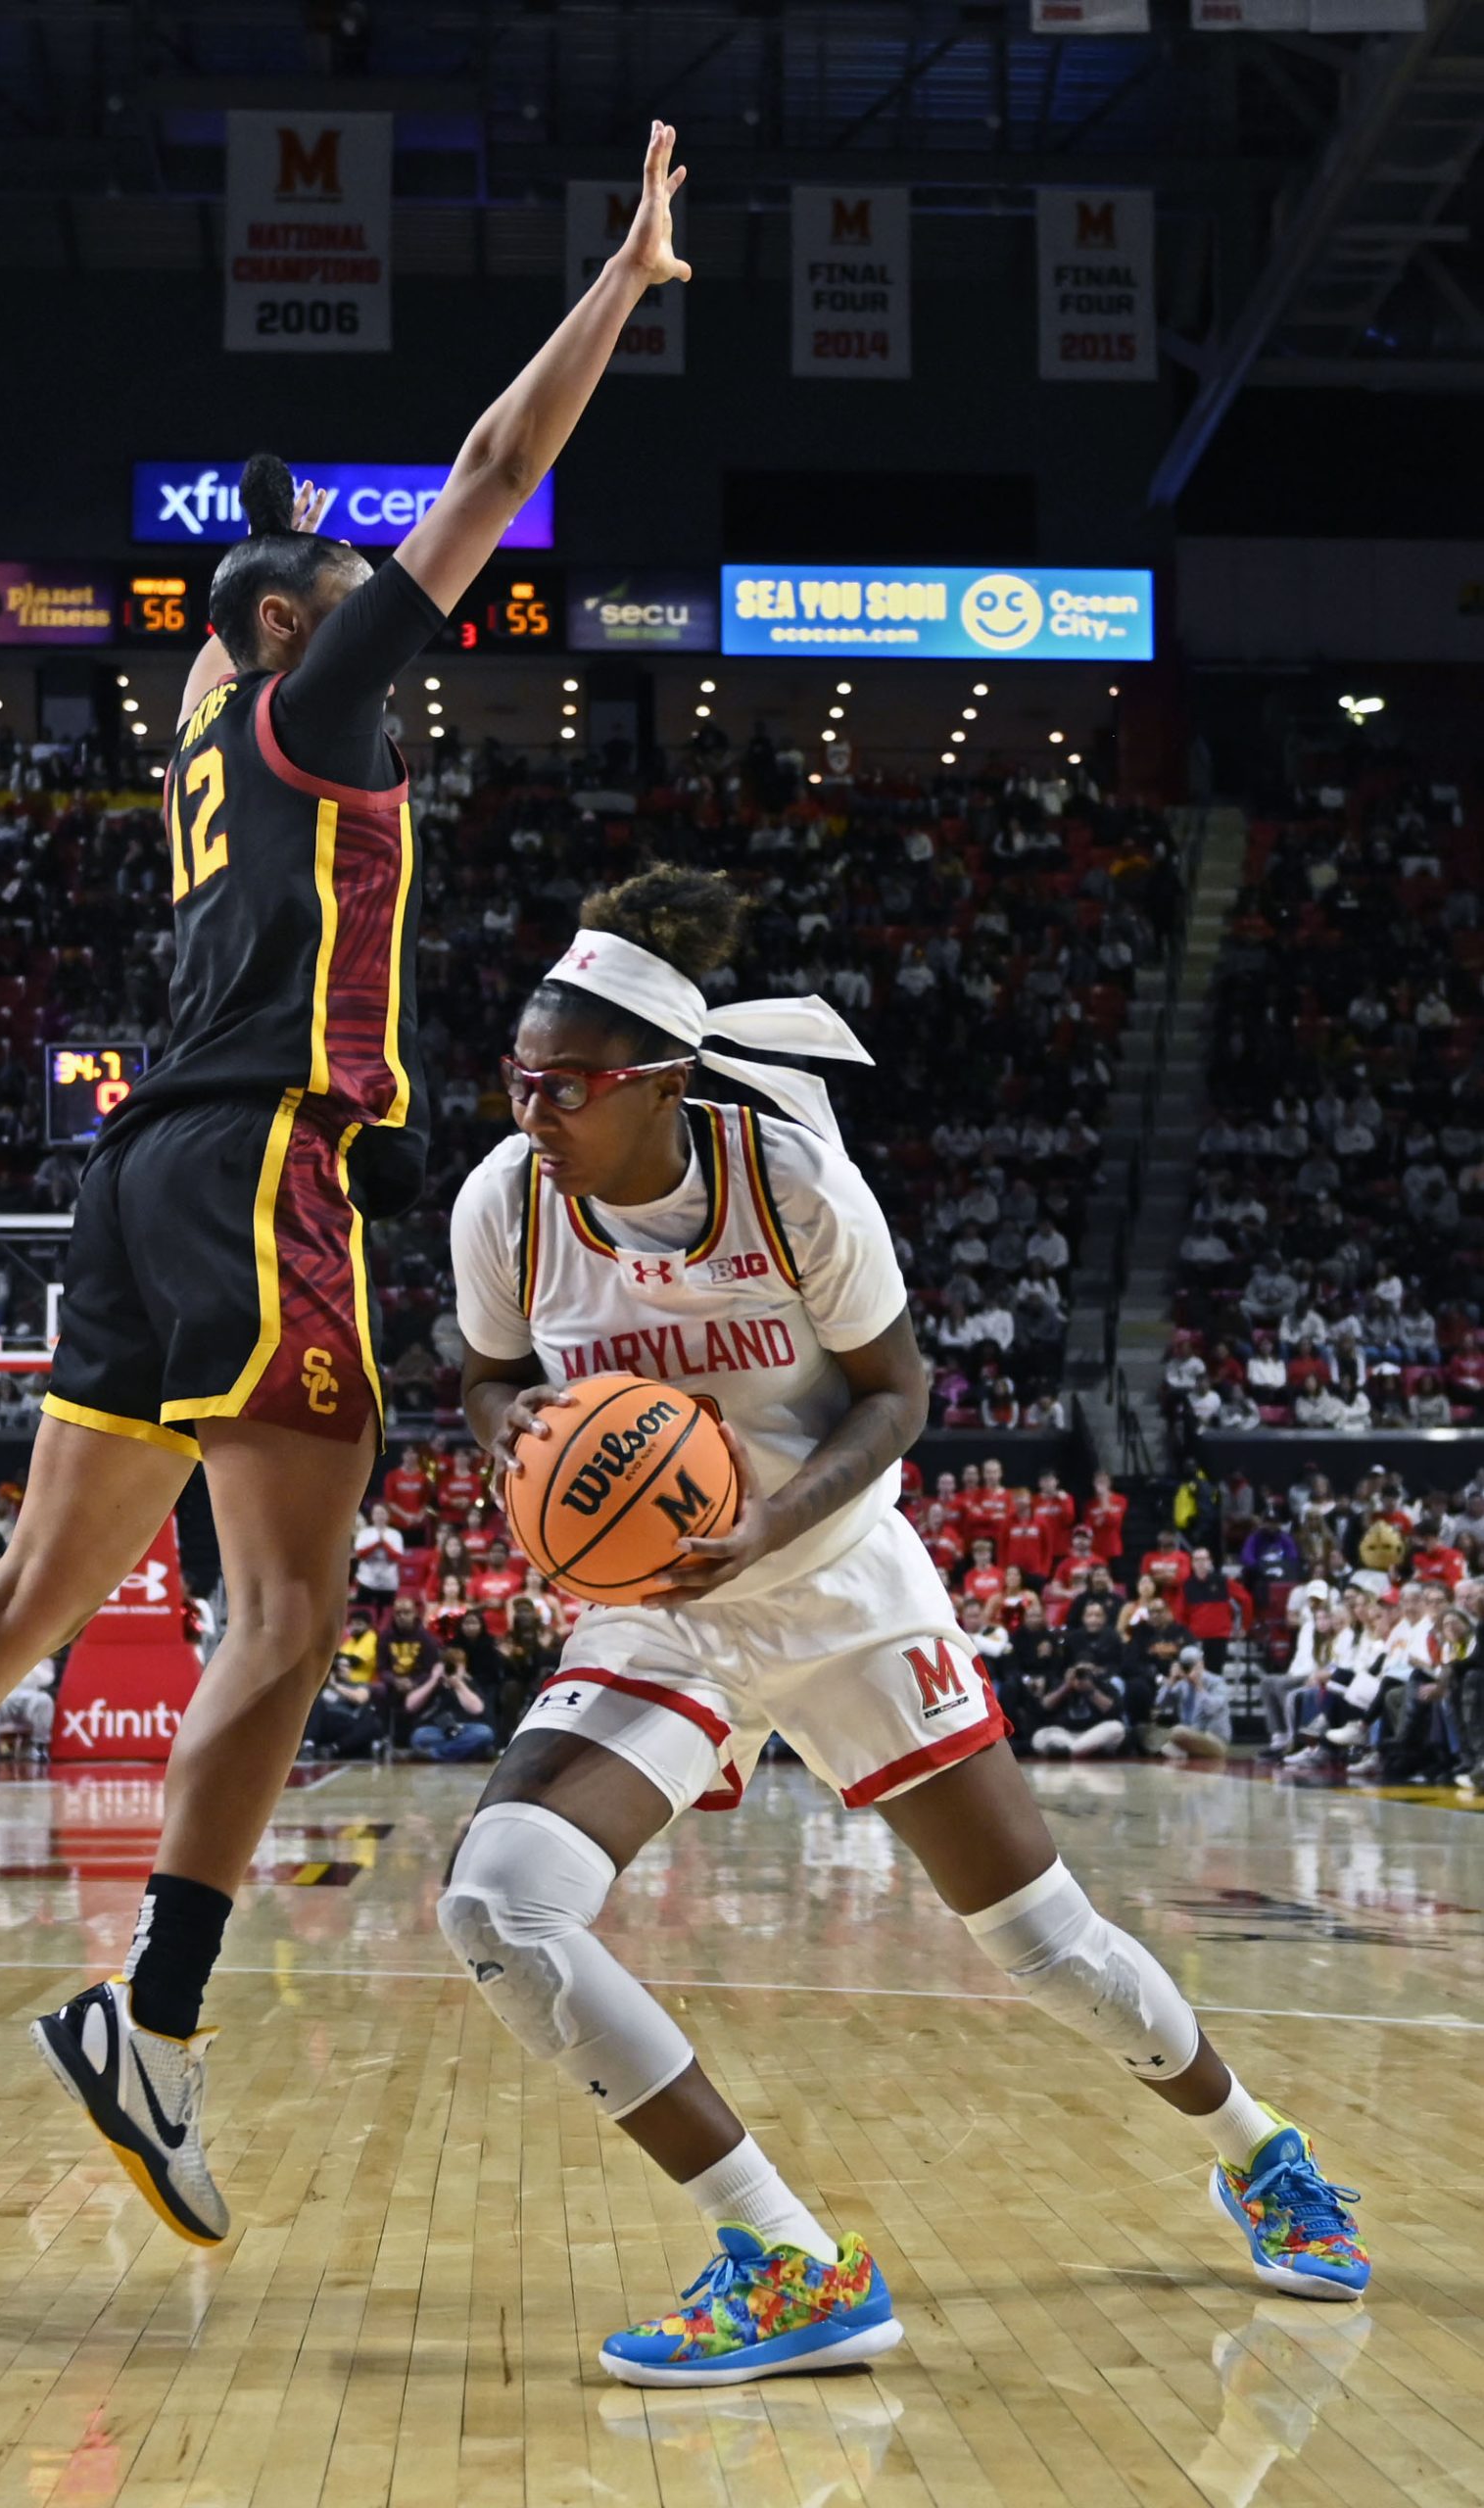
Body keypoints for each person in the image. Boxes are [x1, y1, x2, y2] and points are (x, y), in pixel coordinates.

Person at [0, 121, 698, 2251]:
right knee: (293, 1610)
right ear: (283, 628)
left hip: (140, 1165)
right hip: (259, 1163)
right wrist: (614, 283)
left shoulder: (202, 729)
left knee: (26, 1598)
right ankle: (151, 2015)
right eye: (338, 591)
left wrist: (250, 543)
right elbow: (489, 462)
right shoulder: (312, 703)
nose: (389, 603)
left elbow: (245, 598)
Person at [440, 862, 1365, 2389]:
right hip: (659, 1623)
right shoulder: (503, 1199)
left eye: (568, 1083)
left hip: (836, 1588)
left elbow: (898, 1397)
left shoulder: (789, 1182)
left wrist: (763, 1525)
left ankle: (1256, 2150)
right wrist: (512, 1429)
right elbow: (477, 1372)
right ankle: (788, 2258)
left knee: (1043, 1942)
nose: (532, 1108)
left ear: (658, 1082)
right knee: (499, 1903)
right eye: (518, 1078)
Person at [406, 1645, 495, 1761]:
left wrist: (458, 1684)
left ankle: (435, 1754)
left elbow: (477, 1709)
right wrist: (433, 1681)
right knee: (418, 1736)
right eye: (448, 1665)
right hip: (437, 1730)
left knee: (485, 1733)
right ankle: (466, 1753)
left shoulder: (470, 1684)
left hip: (465, 1729)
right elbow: (410, 1706)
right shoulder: (433, 1683)